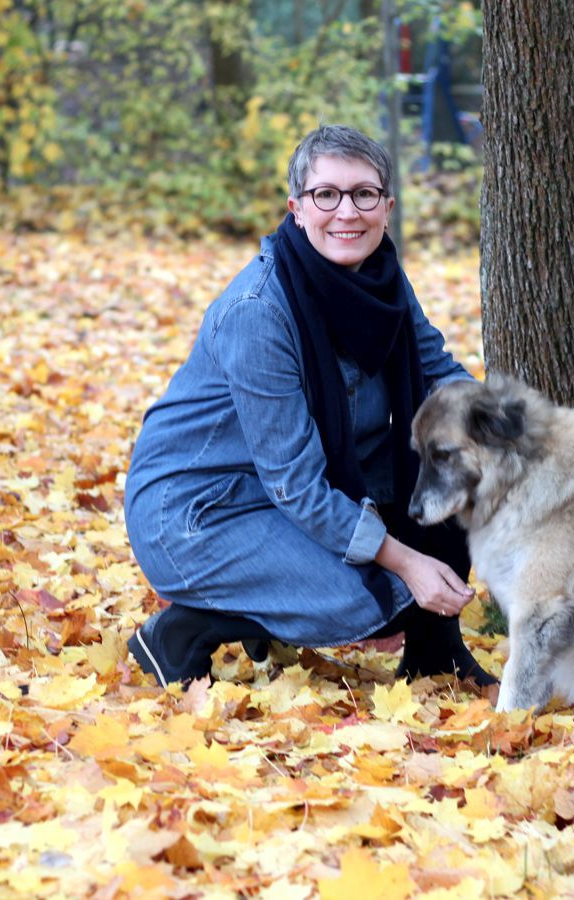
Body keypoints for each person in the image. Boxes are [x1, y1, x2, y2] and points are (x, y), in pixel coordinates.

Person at [123, 124, 495, 688]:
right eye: (327, 195)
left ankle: (434, 655)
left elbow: (436, 373)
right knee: (371, 599)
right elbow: (295, 483)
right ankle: (184, 631)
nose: (347, 211)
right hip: (200, 511)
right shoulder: (259, 312)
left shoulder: (383, 280)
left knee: (458, 466)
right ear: (297, 207)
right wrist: (406, 562)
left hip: (291, 491)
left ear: (387, 207)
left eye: (363, 194)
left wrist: (512, 433)